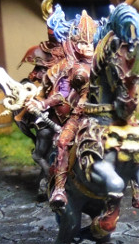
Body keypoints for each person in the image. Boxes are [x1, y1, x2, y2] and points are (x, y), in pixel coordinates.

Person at [26, 11, 97, 209]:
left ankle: (136, 183)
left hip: (105, 112)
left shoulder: (103, 62)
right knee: (63, 141)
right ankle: (59, 188)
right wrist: (42, 104)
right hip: (78, 113)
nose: (85, 47)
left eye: (89, 43)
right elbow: (62, 94)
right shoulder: (71, 66)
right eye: (81, 43)